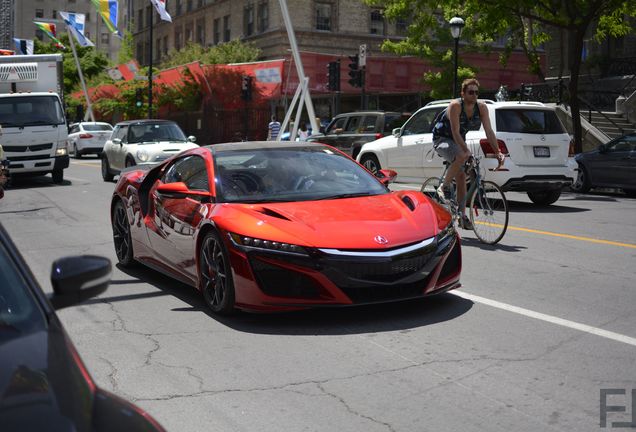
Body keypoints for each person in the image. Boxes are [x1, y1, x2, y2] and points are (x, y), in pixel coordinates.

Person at [432, 78, 505, 230]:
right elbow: (455, 132)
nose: (474, 95)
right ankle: (443, 187)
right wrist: (466, 151)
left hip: (458, 141)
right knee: (461, 156)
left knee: (461, 177)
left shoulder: (482, 108)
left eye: (476, 92)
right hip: (442, 139)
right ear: (463, 93)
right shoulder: (455, 106)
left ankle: (461, 216)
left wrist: (498, 152)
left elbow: (489, 132)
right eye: (470, 92)